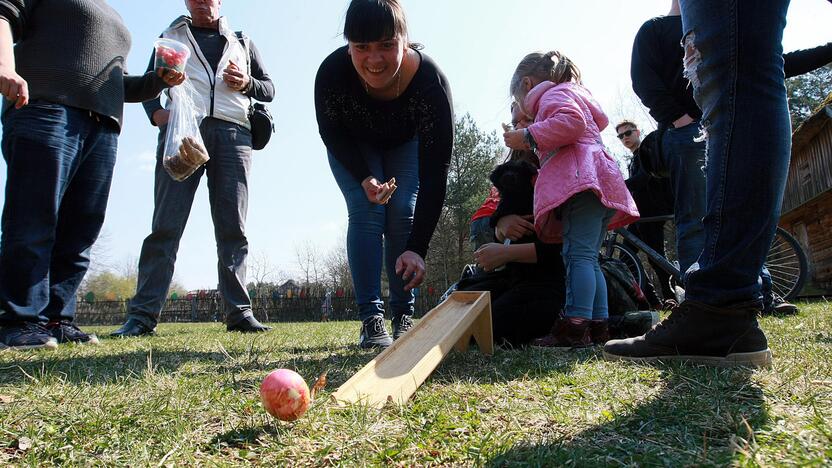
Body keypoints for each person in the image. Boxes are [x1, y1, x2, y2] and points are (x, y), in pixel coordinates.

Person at [605, 0, 793, 367]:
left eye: (628, 130)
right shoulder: (655, 30)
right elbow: (643, 79)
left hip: (695, 129)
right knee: (753, 70)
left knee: (740, 76)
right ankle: (725, 303)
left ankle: (718, 306)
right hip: (695, 127)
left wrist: (679, 120)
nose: (625, 135)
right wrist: (677, 118)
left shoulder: (671, 27)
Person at [0, 0, 183, 350]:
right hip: (47, 107)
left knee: (81, 229)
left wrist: (157, 82)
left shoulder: (114, 15)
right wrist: (4, 65)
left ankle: (58, 318)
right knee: (34, 219)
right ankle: (19, 321)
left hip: (103, 125)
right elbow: (4, 11)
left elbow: (119, 85)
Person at [111, 0, 275, 337]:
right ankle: (142, 316)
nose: (202, 1)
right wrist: (156, 113)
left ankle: (240, 312)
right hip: (183, 133)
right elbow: (148, 83)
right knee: (166, 225)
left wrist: (246, 83)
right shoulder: (171, 37)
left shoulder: (242, 41)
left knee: (233, 227)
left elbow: (269, 89)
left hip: (234, 135)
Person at [315, 0, 453, 349]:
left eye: (387, 46)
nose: (374, 60)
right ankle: (371, 318)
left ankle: (403, 315)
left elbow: (436, 175)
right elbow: (331, 132)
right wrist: (364, 177)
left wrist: (417, 248)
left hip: (404, 143)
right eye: (361, 47)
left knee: (401, 213)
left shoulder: (430, 83)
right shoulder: (331, 73)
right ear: (348, 45)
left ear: (404, 40)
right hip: (354, 144)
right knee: (367, 211)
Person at [503, 51, 639, 348]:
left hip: (583, 184)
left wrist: (527, 136)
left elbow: (572, 123)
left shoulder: (551, 97)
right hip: (599, 182)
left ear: (528, 84)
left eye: (519, 98)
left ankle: (574, 325)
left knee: (577, 257)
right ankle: (598, 324)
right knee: (589, 259)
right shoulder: (571, 93)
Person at [616, 120, 675, 307]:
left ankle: (669, 297)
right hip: (639, 214)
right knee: (626, 257)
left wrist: (616, 186)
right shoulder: (634, 158)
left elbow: (642, 179)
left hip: (652, 212)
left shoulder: (647, 152)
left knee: (656, 256)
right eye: (620, 135)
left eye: (628, 133)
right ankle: (654, 301)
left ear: (637, 132)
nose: (625, 137)